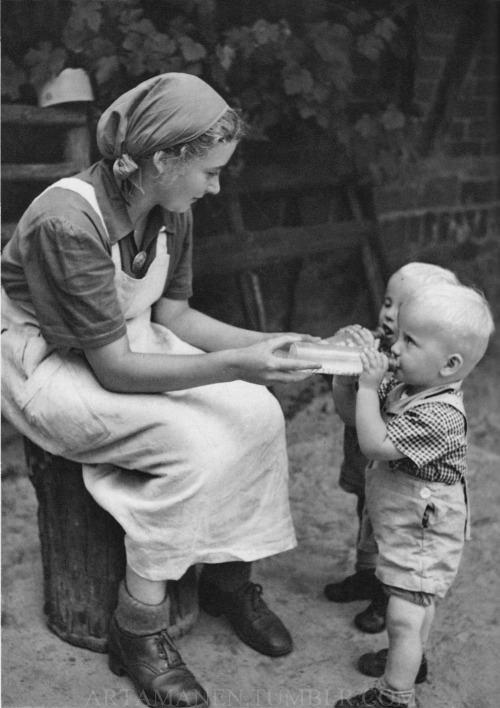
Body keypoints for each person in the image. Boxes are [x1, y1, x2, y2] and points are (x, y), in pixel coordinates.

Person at [1, 73, 322, 708]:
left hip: (129, 341)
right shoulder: (68, 221)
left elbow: (175, 317)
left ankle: (229, 574)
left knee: (257, 411)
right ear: (163, 159)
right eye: (209, 170)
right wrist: (234, 363)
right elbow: (113, 368)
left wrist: (269, 344)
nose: (217, 185)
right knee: (188, 441)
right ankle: (136, 626)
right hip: (47, 361)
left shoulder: (173, 208)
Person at [333, 283, 494, 708]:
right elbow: (353, 417)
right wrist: (344, 374)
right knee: (416, 606)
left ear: (449, 365)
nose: (395, 348)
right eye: (398, 336)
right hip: (404, 520)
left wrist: (368, 388)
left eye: (410, 341)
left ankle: (395, 696)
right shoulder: (406, 386)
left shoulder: (440, 415)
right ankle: (411, 662)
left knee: (403, 616)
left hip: (425, 529)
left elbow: (374, 444)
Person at [325, 263, 459, 634]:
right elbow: (350, 415)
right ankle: (367, 574)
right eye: (387, 301)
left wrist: (371, 378)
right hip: (364, 460)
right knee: (366, 514)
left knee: (393, 530)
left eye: (401, 308)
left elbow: (386, 426)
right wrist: (339, 353)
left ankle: (390, 592)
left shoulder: (421, 371)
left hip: (397, 472)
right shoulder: (372, 344)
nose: (387, 313)